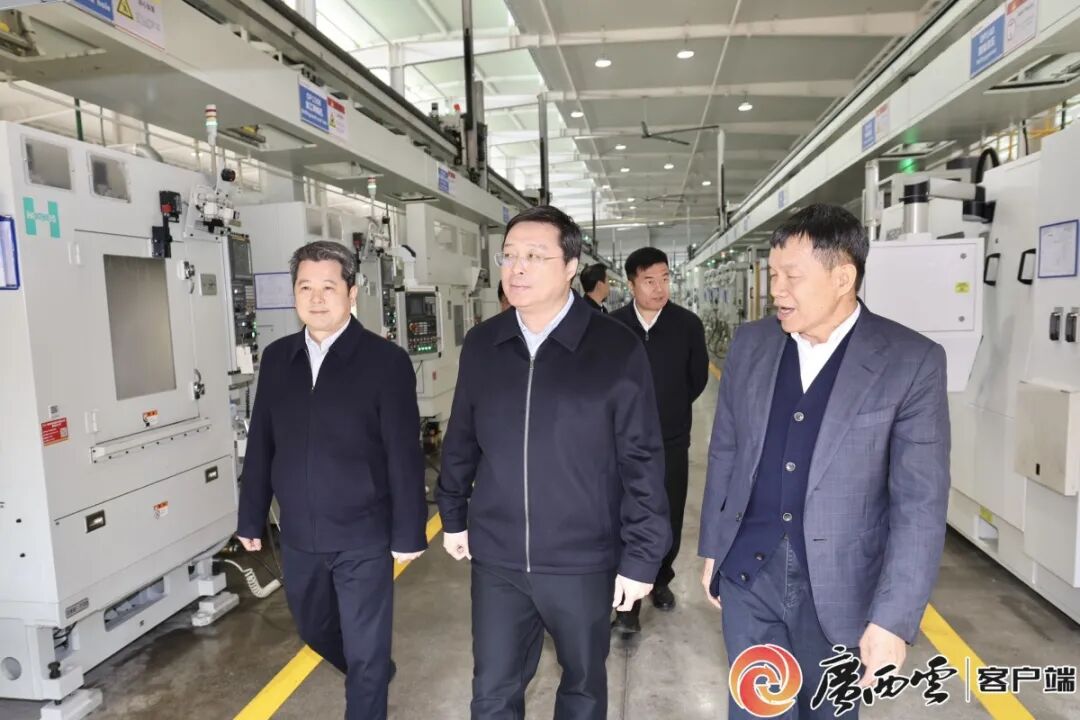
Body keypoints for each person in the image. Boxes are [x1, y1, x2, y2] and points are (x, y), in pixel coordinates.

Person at [698, 204, 950, 719]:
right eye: (773, 275)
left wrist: (893, 618)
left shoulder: (909, 361)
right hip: (749, 578)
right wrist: (713, 547)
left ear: (842, 278)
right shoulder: (751, 345)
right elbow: (726, 450)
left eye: (792, 276)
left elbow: (920, 504)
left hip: (840, 590)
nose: (776, 291)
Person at [437, 205, 671, 720]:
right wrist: (452, 512)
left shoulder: (615, 348)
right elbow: (462, 436)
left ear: (570, 267)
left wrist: (641, 557)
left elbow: (642, 460)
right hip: (498, 557)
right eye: (509, 256)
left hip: (581, 559)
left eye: (534, 256)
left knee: (583, 687)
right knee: (491, 691)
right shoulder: (484, 344)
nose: (517, 267)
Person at [237, 241, 429, 720]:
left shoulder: (385, 362)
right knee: (315, 629)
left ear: (352, 292)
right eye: (306, 288)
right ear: (294, 294)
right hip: (300, 534)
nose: (317, 298)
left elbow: (404, 453)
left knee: (365, 649)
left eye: (328, 287)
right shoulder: (278, 359)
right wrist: (251, 516)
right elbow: (261, 441)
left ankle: (369, 677)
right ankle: (373, 672)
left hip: (364, 534)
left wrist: (409, 532)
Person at [610, 247, 708, 633]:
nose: (659, 288)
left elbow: (697, 378)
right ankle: (627, 601)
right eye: (649, 280)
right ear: (631, 283)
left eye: (664, 279)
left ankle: (661, 579)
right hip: (621, 442)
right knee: (625, 513)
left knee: (669, 511)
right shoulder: (613, 327)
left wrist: (670, 409)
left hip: (671, 440)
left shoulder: (687, 325)